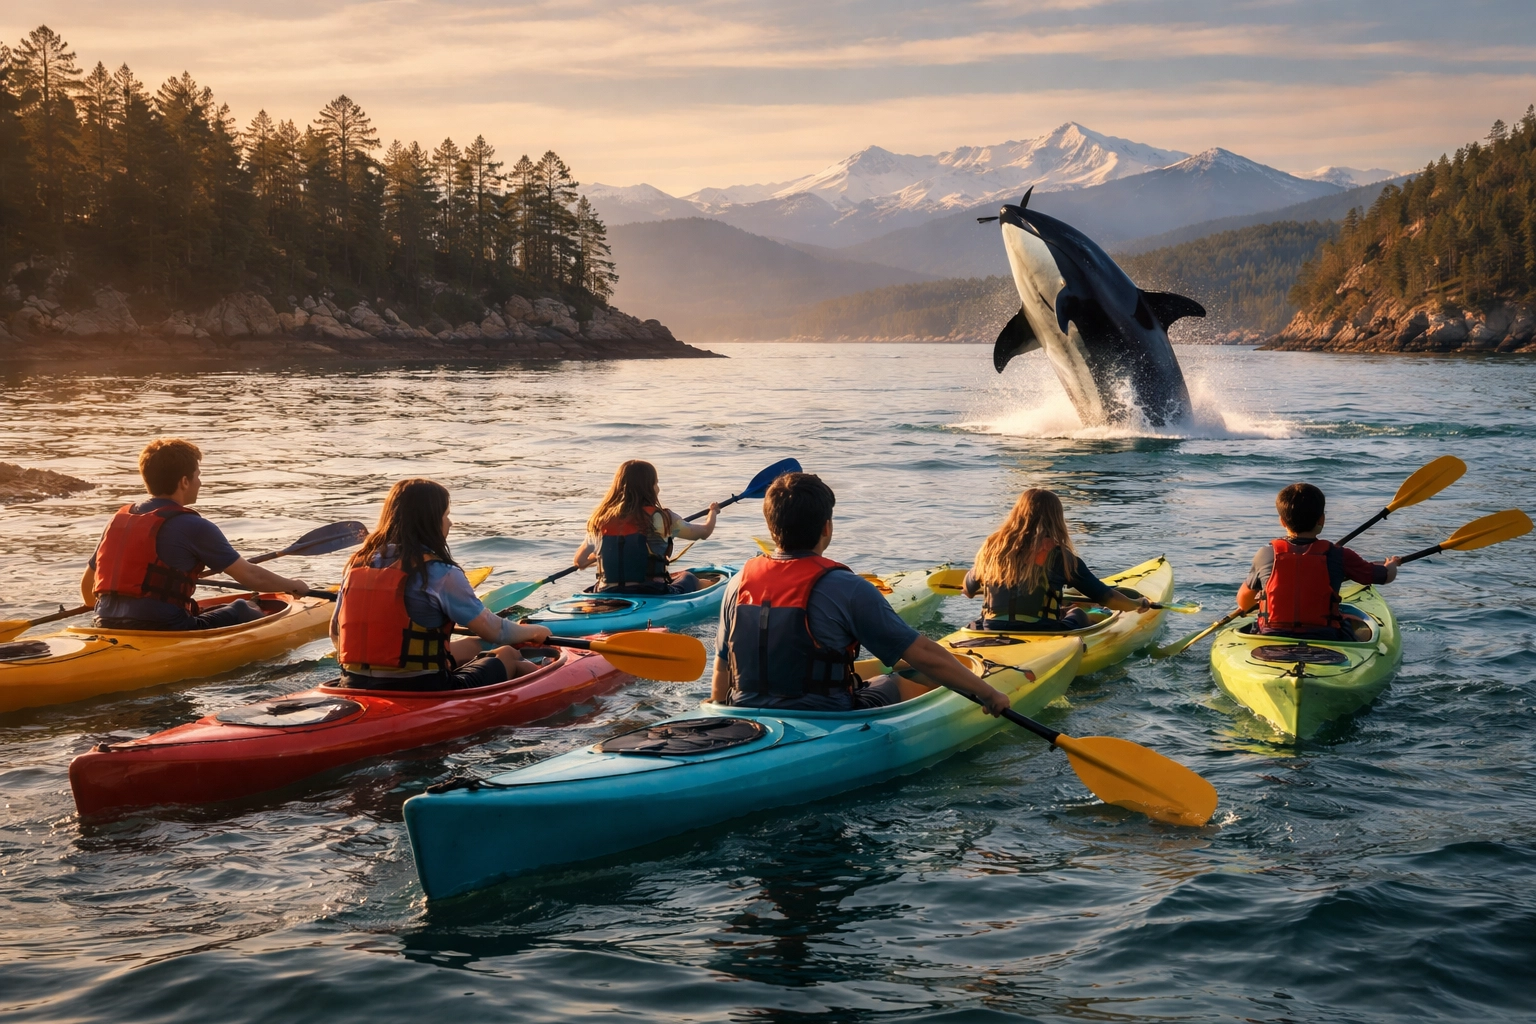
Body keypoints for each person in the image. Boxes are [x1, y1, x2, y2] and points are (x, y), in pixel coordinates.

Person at [711, 471, 1012, 715]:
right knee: (901, 677)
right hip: (829, 716)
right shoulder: (848, 588)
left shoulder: (738, 584)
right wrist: (988, 694)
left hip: (744, 713)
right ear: (826, 527)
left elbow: (723, 667)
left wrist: (724, 718)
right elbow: (923, 655)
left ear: (771, 527)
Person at [331, 479, 551, 691]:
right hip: (423, 688)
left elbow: (335, 632)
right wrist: (534, 632)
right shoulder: (440, 572)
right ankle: (545, 688)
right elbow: (496, 632)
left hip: (353, 682)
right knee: (508, 654)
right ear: (428, 521)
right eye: (446, 515)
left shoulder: (357, 564)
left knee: (475, 644)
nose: (450, 522)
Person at [81, 438, 311, 631]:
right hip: (165, 627)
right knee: (242, 608)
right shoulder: (193, 525)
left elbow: (87, 587)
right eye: (197, 475)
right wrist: (293, 586)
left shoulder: (119, 520)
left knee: (206, 610)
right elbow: (252, 577)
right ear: (184, 481)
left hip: (104, 623)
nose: (199, 482)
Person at [961, 488, 1150, 631]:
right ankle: (1078, 612)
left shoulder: (992, 549)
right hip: (1042, 632)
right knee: (1077, 613)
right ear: (1056, 519)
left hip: (990, 629)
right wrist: (1137, 604)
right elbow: (1107, 597)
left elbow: (968, 590)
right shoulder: (1060, 556)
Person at [1236, 482, 1400, 640]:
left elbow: (1244, 602)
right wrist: (1391, 565)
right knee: (1350, 625)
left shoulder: (1266, 554)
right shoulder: (1339, 555)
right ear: (1322, 519)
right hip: (1325, 635)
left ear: (1282, 521)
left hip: (1270, 633)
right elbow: (1384, 576)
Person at [572, 460, 719, 594]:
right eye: (656, 484)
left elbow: (580, 561)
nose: (658, 489)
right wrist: (713, 512)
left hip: (606, 591)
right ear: (648, 487)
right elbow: (704, 532)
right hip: (651, 591)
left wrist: (606, 554)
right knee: (689, 578)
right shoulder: (662, 518)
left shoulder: (600, 520)